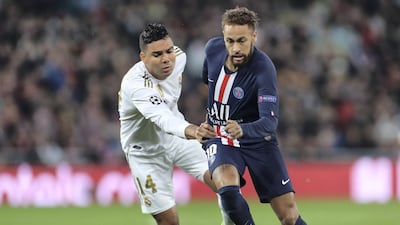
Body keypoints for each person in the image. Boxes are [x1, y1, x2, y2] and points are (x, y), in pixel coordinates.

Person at [196, 7, 308, 225]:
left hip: (258, 141)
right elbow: (208, 85)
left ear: (254, 37)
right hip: (222, 138)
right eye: (230, 41)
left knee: (289, 217)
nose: (236, 48)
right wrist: (210, 120)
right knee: (227, 188)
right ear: (223, 37)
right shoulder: (211, 50)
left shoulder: (264, 69)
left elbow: (270, 122)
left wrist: (243, 129)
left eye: (242, 40)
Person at [118, 23, 231, 225]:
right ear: (143, 58)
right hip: (145, 152)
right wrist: (195, 131)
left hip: (177, 140)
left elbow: (209, 74)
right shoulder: (135, 86)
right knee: (169, 222)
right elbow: (164, 119)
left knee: (226, 182)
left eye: (169, 51)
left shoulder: (179, 58)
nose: (166, 59)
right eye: (157, 54)